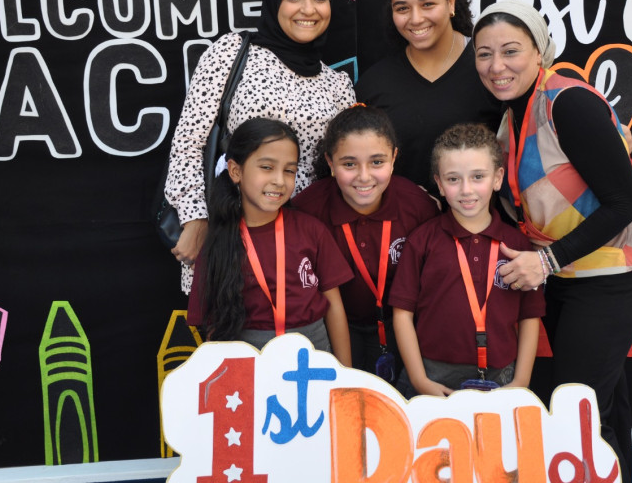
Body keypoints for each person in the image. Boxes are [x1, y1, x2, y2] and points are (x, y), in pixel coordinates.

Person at [472, 0, 632, 482]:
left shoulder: (568, 103)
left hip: (611, 272)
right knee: (602, 403)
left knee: (579, 410)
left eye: (511, 51)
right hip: (564, 274)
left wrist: (545, 261)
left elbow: (624, 203)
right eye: (484, 54)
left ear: (540, 52)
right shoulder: (512, 115)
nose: (496, 66)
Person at [165, 0, 355, 294]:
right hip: (232, 236)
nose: (308, 9)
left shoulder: (338, 85)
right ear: (273, 0)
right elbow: (189, 143)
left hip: (304, 246)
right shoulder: (232, 53)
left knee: (303, 326)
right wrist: (195, 218)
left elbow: (342, 168)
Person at [389, 123, 544, 397]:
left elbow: (529, 315)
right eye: (453, 179)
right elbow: (402, 314)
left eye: (478, 177)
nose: (466, 190)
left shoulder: (518, 245)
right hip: (433, 373)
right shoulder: (422, 240)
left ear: (498, 178)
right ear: (439, 183)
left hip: (502, 375)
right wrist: (419, 379)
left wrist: (521, 380)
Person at [187, 117, 352, 365]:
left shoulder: (312, 230)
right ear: (236, 171)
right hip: (250, 365)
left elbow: (334, 307)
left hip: (314, 359)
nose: (279, 180)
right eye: (266, 167)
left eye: (289, 170)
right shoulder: (218, 243)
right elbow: (212, 329)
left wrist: (345, 372)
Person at [292, 104, 439, 379]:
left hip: (399, 326)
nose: (364, 176)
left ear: (394, 158)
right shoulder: (306, 210)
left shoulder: (418, 207)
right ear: (330, 163)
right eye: (349, 164)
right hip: (333, 327)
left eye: (377, 162)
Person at [355, 0, 502, 195]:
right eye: (402, 8)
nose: (416, 19)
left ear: (451, 2)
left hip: (479, 217)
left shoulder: (490, 68)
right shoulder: (374, 85)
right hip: (403, 218)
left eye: (428, 4)